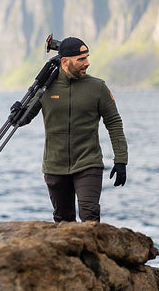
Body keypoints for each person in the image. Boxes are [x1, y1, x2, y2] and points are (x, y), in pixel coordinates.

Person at [19, 37, 128, 222]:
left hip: (88, 163)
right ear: (64, 61)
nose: (87, 63)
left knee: (90, 215)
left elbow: (114, 123)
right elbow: (23, 119)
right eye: (81, 59)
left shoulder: (98, 87)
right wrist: (17, 112)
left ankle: (91, 252)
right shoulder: (45, 88)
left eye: (87, 57)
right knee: (63, 220)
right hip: (55, 165)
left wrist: (121, 160)